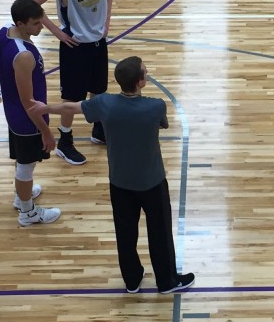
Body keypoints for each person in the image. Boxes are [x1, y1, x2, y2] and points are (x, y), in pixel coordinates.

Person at [29, 56, 195, 293]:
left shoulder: (105, 104)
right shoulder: (156, 106)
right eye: (145, 72)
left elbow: (71, 107)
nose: (147, 74)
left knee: (125, 233)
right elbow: (162, 124)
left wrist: (46, 108)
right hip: (151, 182)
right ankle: (166, 280)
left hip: (120, 182)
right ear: (140, 82)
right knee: (159, 230)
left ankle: (132, 280)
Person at [32, 0, 113, 165]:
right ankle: (65, 141)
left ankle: (98, 130)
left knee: (99, 90)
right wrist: (58, 32)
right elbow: (32, 3)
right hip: (75, 46)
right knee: (71, 97)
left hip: (98, 41)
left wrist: (106, 20)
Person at [0, 0, 61, 227]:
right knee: (26, 165)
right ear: (21, 24)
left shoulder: (4, 32)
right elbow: (29, 102)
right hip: (27, 119)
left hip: (13, 112)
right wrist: (46, 131)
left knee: (24, 161)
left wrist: (10, 91)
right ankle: (27, 212)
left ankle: (22, 195)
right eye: (36, 24)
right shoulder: (24, 55)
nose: (41, 27)